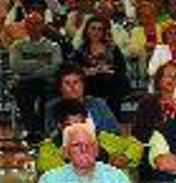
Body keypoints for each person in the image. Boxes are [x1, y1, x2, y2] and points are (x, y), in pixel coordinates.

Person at [37, 98, 142, 175]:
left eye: (81, 123)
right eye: (71, 125)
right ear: (60, 126)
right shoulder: (48, 149)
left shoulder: (101, 137)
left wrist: (124, 158)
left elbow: (135, 145)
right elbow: (55, 173)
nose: (77, 129)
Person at [9, 9, 61, 140]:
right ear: (26, 26)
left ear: (43, 25)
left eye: (37, 23)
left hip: (46, 82)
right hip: (24, 83)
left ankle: (40, 130)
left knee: (47, 93)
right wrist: (41, 62)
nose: (34, 27)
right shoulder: (17, 46)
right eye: (30, 23)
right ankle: (33, 130)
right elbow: (16, 66)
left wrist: (28, 69)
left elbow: (54, 68)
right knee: (22, 92)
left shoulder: (53, 46)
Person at [72, 15, 130, 118]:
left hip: (112, 80)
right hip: (90, 82)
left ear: (103, 32)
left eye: (99, 29)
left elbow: (121, 67)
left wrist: (109, 70)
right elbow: (76, 70)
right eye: (93, 28)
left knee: (112, 81)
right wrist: (92, 70)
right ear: (87, 30)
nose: (96, 32)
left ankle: (112, 119)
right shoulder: (81, 50)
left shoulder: (112, 47)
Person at [45, 64, 121, 135]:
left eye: (76, 82)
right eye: (67, 83)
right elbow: (51, 135)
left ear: (83, 84)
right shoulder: (52, 107)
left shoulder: (98, 104)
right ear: (60, 87)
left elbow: (115, 131)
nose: (72, 87)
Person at [132, 60, 176, 144]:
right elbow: (137, 133)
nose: (172, 79)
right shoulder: (147, 103)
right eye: (168, 75)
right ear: (159, 80)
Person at [146, 20, 176, 87]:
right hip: (162, 85)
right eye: (170, 33)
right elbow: (151, 71)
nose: (173, 36)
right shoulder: (159, 49)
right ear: (165, 36)